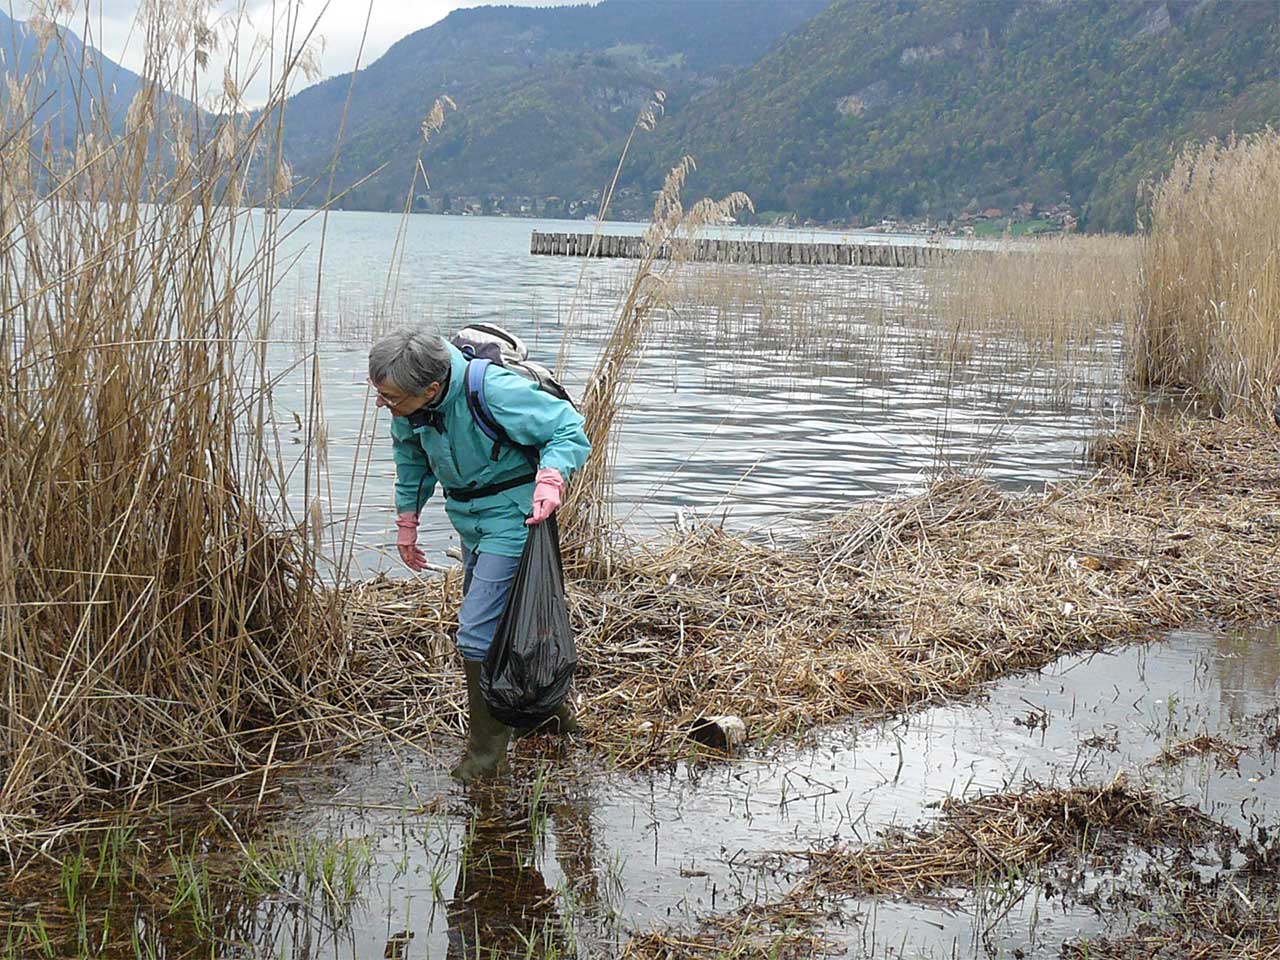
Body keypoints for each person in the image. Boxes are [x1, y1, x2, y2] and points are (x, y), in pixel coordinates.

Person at [368, 329, 590, 783]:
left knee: (476, 633)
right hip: (468, 518)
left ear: (430, 390)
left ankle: (485, 755)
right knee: (505, 624)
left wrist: (551, 479)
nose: (382, 405)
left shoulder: (493, 390)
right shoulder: (413, 407)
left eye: (390, 398)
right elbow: (410, 458)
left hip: (514, 516)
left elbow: (568, 428)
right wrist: (407, 523)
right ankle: (550, 714)